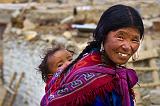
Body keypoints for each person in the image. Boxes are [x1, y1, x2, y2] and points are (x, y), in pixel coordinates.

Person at [41, 4, 144, 106]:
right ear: (103, 35)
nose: (127, 46)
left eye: (134, 40)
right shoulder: (89, 80)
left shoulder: (113, 72)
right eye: (120, 37)